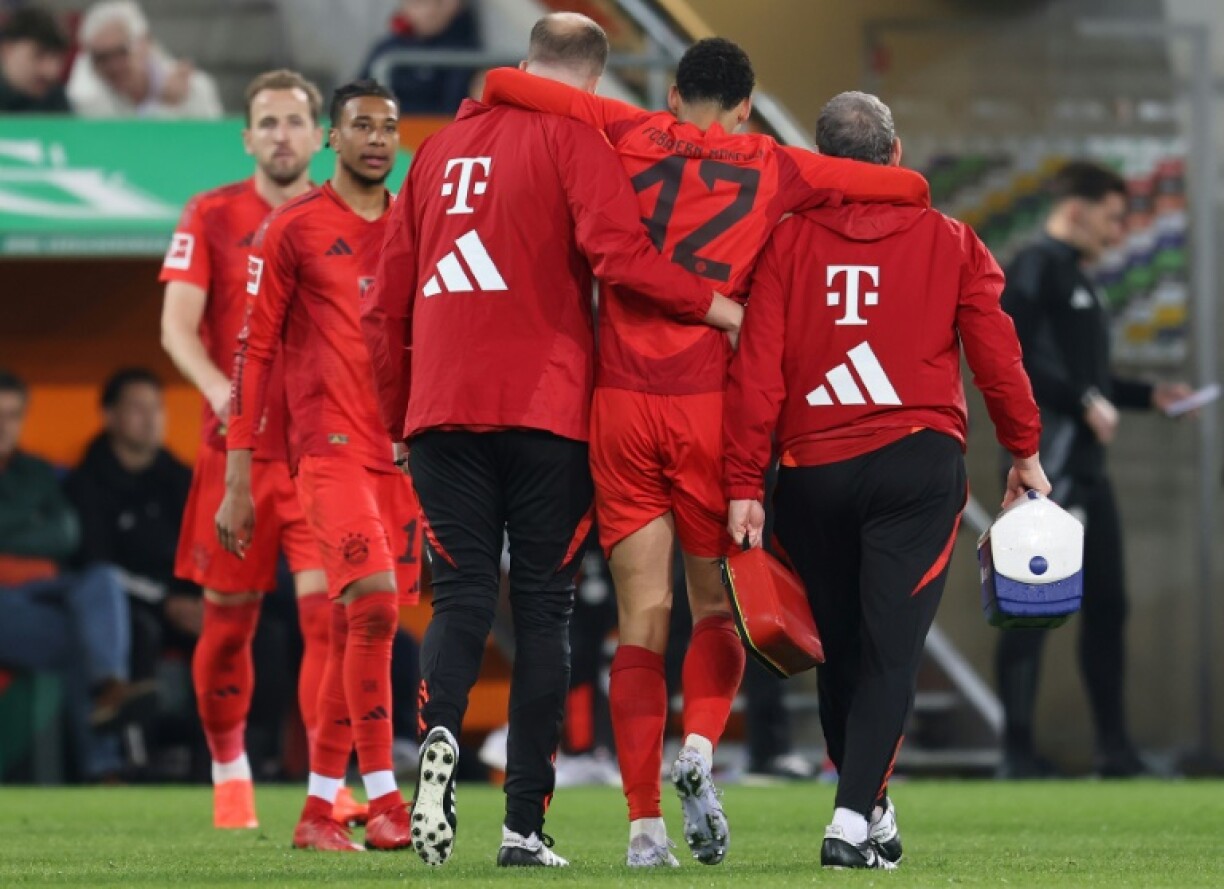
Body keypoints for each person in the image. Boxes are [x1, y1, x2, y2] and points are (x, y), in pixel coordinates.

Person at [483, 39, 930, 868]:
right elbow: (901, 187)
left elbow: (506, 83)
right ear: (745, 105)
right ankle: (698, 746)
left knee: (638, 626)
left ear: (676, 90)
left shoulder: (625, 129)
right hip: (707, 407)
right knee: (717, 609)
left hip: (618, 404)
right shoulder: (774, 160)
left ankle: (643, 827)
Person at [363, 12, 742, 869]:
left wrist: (397, 416)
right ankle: (523, 826)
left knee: (458, 596)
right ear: (595, 83)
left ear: (525, 61)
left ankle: (436, 736)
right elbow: (620, 257)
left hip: (440, 413)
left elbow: (384, 303)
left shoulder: (431, 157)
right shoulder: (576, 143)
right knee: (543, 611)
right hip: (549, 413)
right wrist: (719, 307)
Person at [723, 91, 1049, 870]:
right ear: (896, 154)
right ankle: (848, 816)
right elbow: (998, 360)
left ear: (824, 161)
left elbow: (756, 372)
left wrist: (743, 481)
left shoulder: (785, 243)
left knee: (840, 650)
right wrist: (1025, 451)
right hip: (914, 464)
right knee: (890, 652)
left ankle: (864, 803)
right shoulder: (952, 241)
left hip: (812, 472)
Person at [217, 79, 420, 853]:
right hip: (325, 448)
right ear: (333, 139)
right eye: (361, 125)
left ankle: (315, 811)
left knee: (349, 626)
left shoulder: (414, 224)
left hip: (399, 453)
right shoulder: (291, 229)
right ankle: (387, 799)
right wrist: (240, 477)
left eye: (389, 126)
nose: (377, 138)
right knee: (373, 607)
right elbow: (252, 351)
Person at [159, 69, 360, 830]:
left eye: (294, 122)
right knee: (229, 622)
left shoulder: (349, 215)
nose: (282, 135)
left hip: (319, 453)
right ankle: (230, 768)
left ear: (319, 136)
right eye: (267, 122)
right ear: (247, 137)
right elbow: (177, 325)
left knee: (328, 622)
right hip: (232, 454)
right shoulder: (210, 214)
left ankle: (325, 781)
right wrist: (218, 390)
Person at [995, 160, 1191, 779]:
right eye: (1110, 219)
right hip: (1049, 473)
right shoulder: (1035, 268)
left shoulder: (1080, 277)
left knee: (1108, 606)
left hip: (1090, 470)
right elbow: (1015, 358)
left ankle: (1115, 750)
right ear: (1077, 211)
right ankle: (1017, 754)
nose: (1116, 235)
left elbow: (1089, 380)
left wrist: (1145, 396)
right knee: (1030, 610)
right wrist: (1083, 401)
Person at [0, 370, 153, 781]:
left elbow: (66, 534)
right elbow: (48, 533)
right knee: (79, 639)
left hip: (44, 586)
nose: (5, 426)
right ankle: (104, 765)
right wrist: (31, 527)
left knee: (102, 578)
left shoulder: (34, 471)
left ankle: (111, 685)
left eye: (13, 415)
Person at [65, 368, 198, 687]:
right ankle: (133, 734)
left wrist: (202, 600)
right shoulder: (84, 485)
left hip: (189, 602)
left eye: (156, 408)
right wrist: (166, 602)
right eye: (138, 408)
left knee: (261, 632)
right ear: (109, 416)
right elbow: (98, 567)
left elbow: (210, 549)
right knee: (138, 631)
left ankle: (228, 738)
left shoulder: (184, 479)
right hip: (134, 605)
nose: (150, 419)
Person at [67, 0, 221, 118]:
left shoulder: (194, 87)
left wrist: (176, 103)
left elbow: (211, 147)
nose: (113, 66)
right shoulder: (88, 98)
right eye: (101, 58)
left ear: (146, 44)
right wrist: (159, 105)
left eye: (121, 52)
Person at [359, 0, 479, 116]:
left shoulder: (465, 53)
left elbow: (456, 105)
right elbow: (360, 93)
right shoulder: (386, 49)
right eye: (419, 3)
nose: (429, 11)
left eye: (438, 3)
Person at [0, 5, 70, 113]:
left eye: (58, 58)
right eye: (39, 55)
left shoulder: (55, 98)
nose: (52, 71)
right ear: (6, 50)